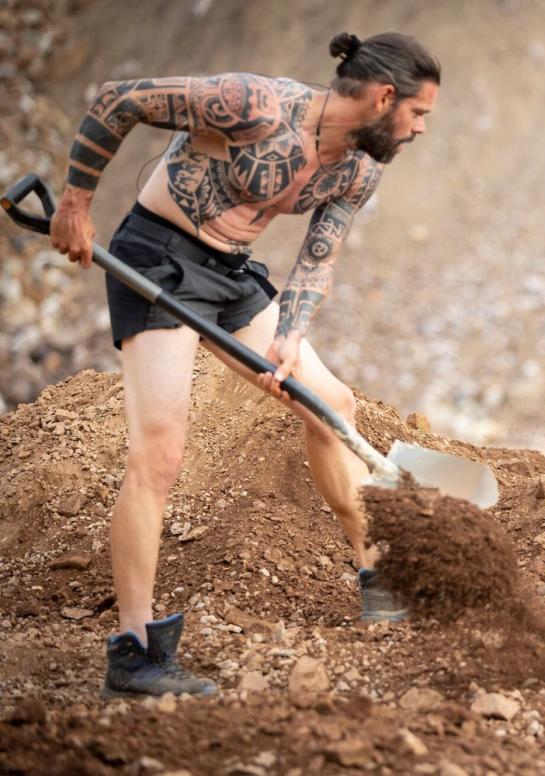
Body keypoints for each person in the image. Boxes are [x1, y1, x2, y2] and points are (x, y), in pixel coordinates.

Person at [47, 31, 441, 697]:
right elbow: (118, 100)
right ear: (382, 97)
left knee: (330, 403)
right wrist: (77, 202)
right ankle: (135, 650)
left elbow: (320, 257)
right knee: (161, 451)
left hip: (232, 275)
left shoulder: (361, 166)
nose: (421, 129)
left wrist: (290, 334)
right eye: (419, 113)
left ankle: (376, 573)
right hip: (157, 260)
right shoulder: (253, 105)